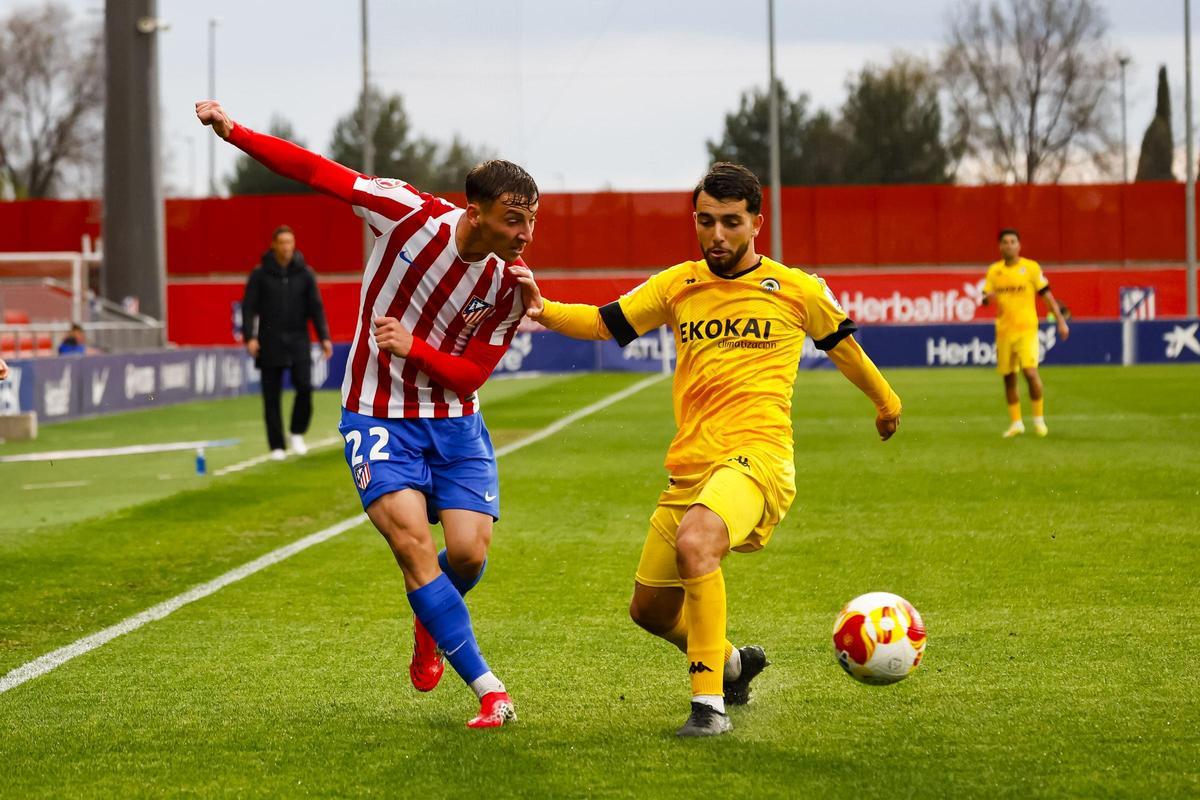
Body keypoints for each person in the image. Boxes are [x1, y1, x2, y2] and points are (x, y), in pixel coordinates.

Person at [510, 163, 902, 737]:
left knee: (698, 544)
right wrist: (542, 308)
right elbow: (603, 323)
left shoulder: (797, 289)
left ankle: (709, 708)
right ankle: (733, 663)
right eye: (706, 221)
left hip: (758, 459)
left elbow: (844, 349)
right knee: (650, 612)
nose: (716, 235)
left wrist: (887, 402)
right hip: (691, 468)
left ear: (756, 224)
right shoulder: (679, 285)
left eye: (730, 223)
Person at [198, 99, 533, 729]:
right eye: (514, 219)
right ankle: (490, 689)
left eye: (529, 222)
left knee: (466, 555)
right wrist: (232, 131)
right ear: (476, 211)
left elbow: (472, 375)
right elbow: (318, 172)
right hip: (376, 416)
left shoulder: (512, 284)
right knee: (414, 550)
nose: (524, 234)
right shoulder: (404, 212)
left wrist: (415, 347)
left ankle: (429, 620)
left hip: (456, 422)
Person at [241, 225, 334, 460]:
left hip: (299, 340)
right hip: (269, 342)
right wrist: (249, 337)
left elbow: (316, 308)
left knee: (305, 387)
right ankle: (277, 446)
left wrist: (324, 337)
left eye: (289, 242)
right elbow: (248, 308)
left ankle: (297, 432)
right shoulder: (260, 274)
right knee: (271, 396)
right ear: (274, 245)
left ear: (294, 244)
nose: (286, 247)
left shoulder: (305, 274)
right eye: (282, 242)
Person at [982, 229, 1070, 438]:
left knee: (1030, 373)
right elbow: (985, 298)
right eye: (1005, 242)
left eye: (1013, 241)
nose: (1009, 245)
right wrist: (987, 298)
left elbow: (1046, 296)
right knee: (1009, 378)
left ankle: (1039, 421)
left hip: (1027, 330)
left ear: (1019, 246)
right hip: (1004, 331)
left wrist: (1060, 321)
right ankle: (1016, 423)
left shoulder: (1030, 268)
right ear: (1000, 246)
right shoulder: (994, 271)